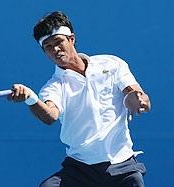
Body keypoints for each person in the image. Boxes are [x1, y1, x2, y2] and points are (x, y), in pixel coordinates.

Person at [8, 11, 151, 187]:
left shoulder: (112, 64)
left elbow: (137, 95)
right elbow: (50, 115)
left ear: (72, 39)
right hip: (80, 170)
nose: (55, 50)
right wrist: (30, 98)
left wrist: (137, 100)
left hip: (123, 166)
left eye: (58, 42)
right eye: (48, 47)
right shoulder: (54, 86)